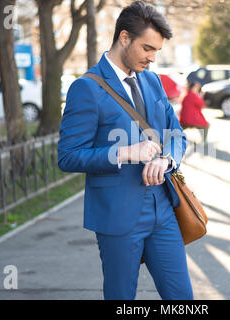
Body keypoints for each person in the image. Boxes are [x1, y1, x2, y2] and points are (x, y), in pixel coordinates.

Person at [58, 1, 193, 300]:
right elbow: (67, 156)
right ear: (124, 38)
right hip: (116, 217)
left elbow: (177, 134)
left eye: (156, 50)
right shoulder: (86, 88)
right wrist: (124, 152)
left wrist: (168, 159)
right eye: (147, 48)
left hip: (163, 210)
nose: (153, 58)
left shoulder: (153, 80)